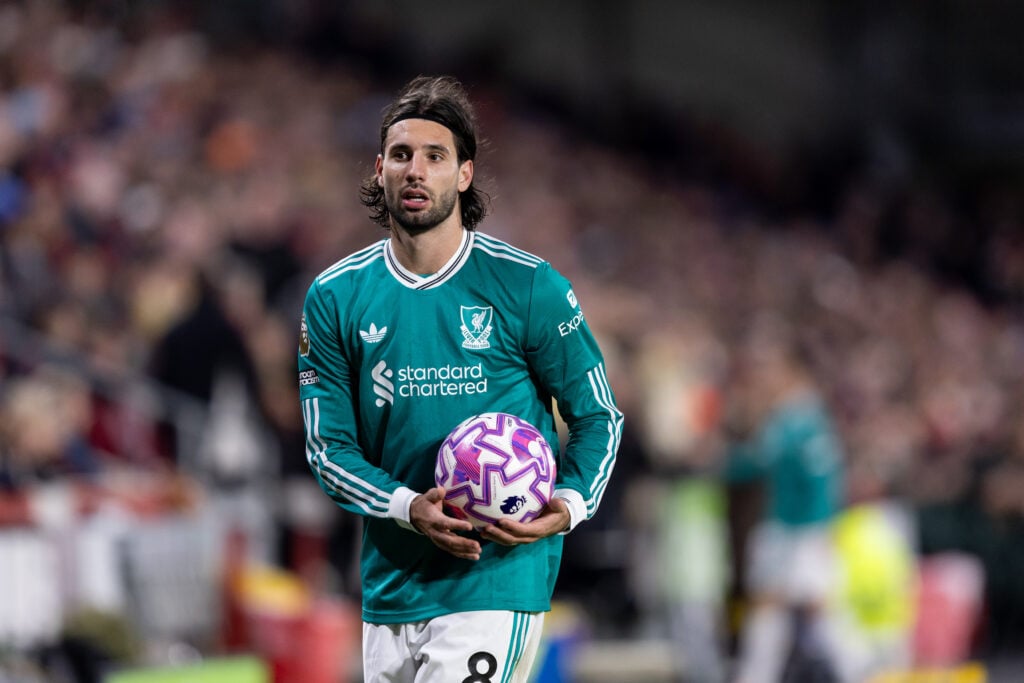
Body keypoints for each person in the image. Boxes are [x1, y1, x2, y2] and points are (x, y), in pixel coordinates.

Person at [297, 75, 623, 682]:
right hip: (391, 586)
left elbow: (598, 415)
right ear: (379, 171)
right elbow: (328, 449)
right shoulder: (336, 296)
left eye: (435, 156)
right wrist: (407, 506)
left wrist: (571, 503)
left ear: (464, 174)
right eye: (401, 155)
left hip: (493, 579)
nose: (415, 170)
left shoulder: (527, 286)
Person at [721, 324, 846, 683]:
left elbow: (758, 462)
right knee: (787, 614)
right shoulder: (805, 415)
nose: (763, 376)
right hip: (796, 528)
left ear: (791, 370)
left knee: (812, 613)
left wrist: (715, 461)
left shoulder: (795, 419)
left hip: (798, 531)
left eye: (770, 367)